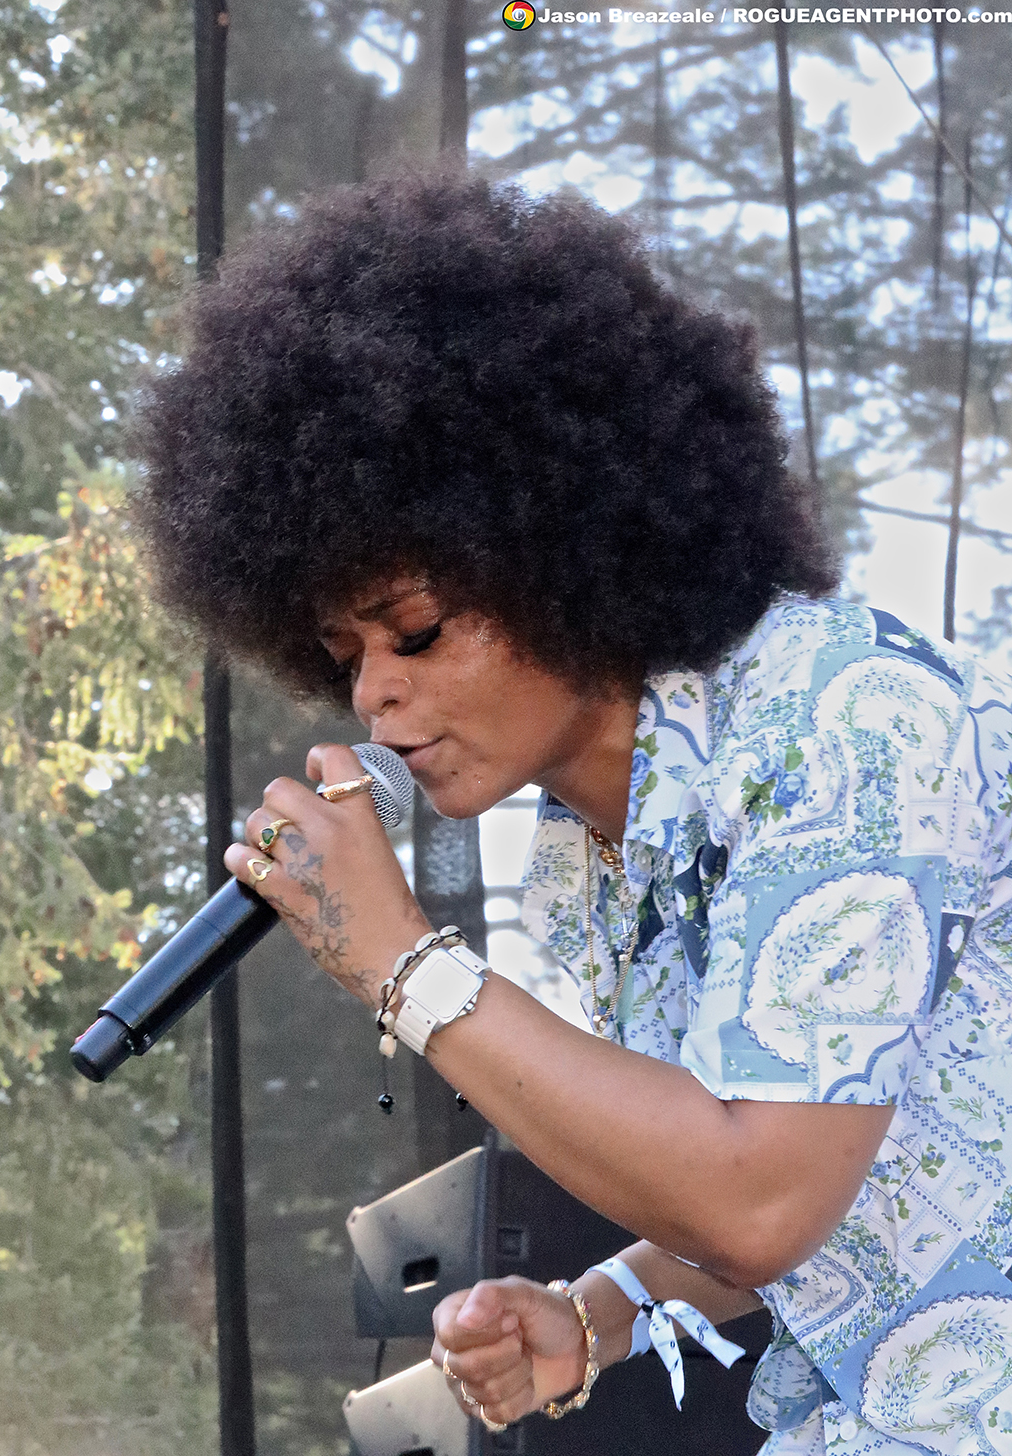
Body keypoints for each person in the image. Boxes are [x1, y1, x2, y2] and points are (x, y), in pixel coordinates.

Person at [131, 171, 1012, 1455]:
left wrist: (401, 962)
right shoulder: (589, 849)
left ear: (563, 551)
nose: (372, 693)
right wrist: (595, 1311)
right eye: (343, 654)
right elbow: (833, 1176)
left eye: (414, 630)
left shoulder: (846, 720)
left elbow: (761, 1197)